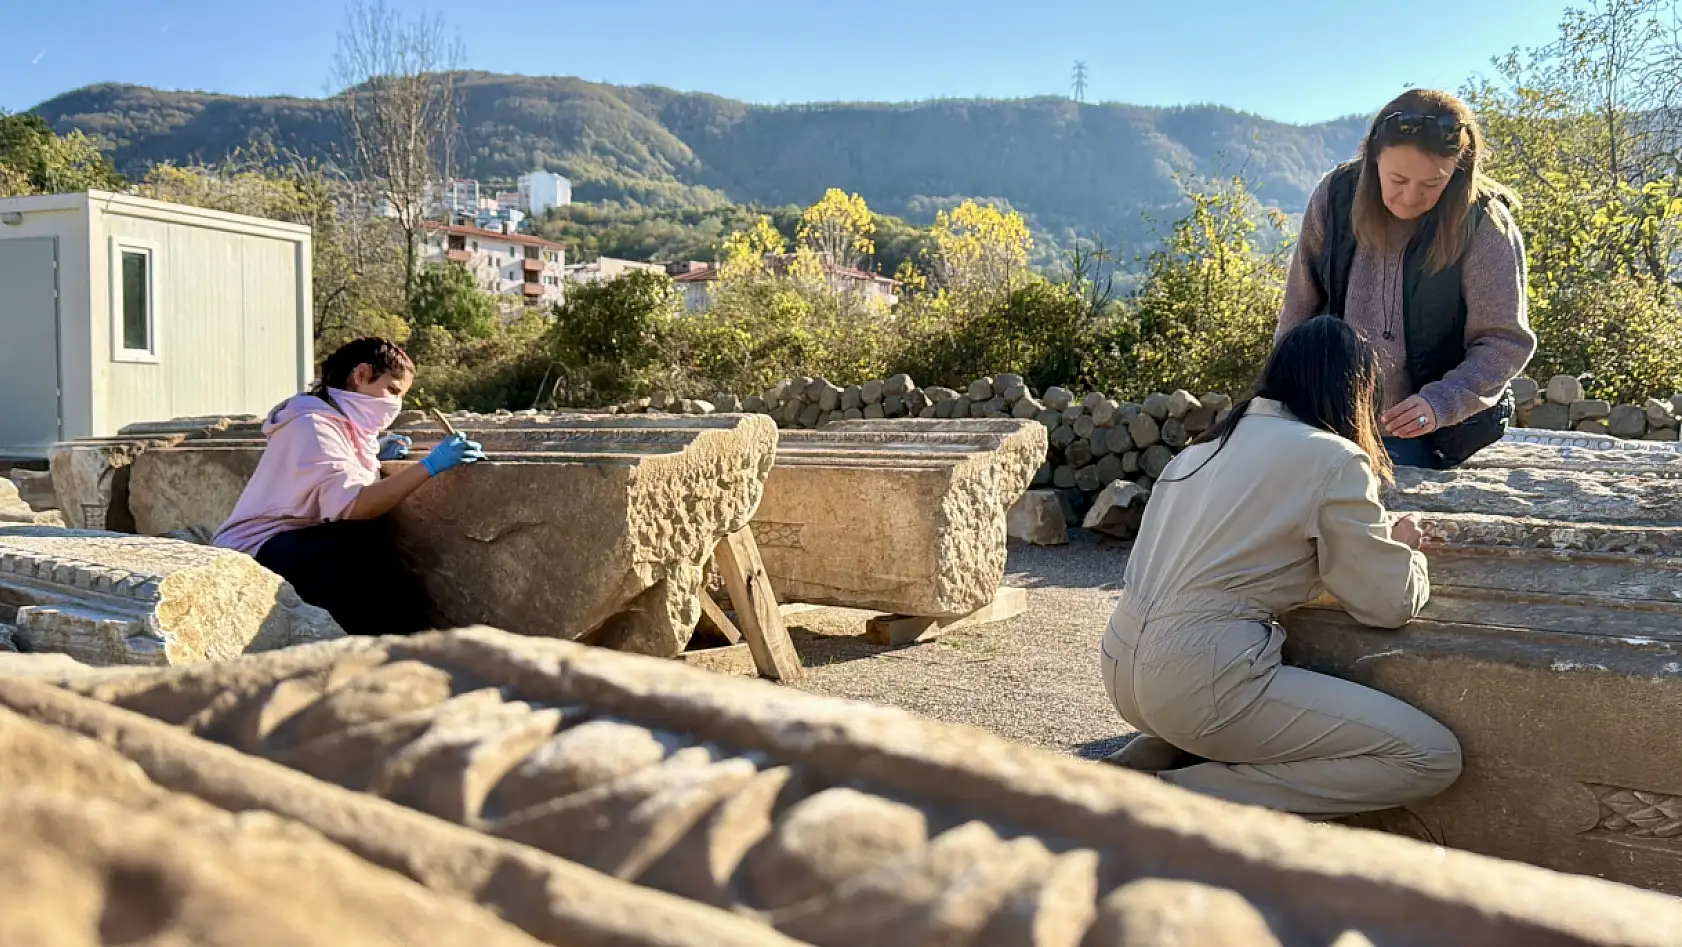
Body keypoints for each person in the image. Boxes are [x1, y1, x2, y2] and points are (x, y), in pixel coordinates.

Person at [1100, 314, 1462, 817]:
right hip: (1199, 680)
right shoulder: (1334, 458)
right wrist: (1406, 549)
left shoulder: (1201, 449)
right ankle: (1169, 799)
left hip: (1119, 668)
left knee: (1195, 705)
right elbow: (1388, 603)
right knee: (1430, 757)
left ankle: (1156, 754)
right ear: (1354, 389)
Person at [1276, 88, 1534, 470]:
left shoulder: (1485, 224)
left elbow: (1504, 342)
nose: (1411, 197)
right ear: (1372, 158)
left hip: (1436, 431)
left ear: (1458, 171)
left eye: (1432, 184)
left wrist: (1440, 403)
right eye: (1397, 179)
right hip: (1335, 416)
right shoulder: (1333, 198)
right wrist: (1278, 400)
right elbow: (1298, 309)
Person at [213, 337, 485, 635]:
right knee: (358, 551)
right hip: (257, 548)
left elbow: (339, 477)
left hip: (295, 536)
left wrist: (377, 455)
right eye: (392, 390)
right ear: (362, 375)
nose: (396, 405)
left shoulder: (342, 425)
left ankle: (406, 638)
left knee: (370, 545)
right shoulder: (311, 426)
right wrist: (430, 466)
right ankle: (399, 642)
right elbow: (356, 504)